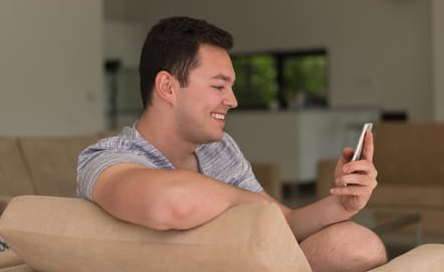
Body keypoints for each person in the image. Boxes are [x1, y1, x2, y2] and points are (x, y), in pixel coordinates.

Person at [77, 16, 387, 272]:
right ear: (167, 87)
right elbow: (174, 202)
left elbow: (286, 222)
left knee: (357, 244)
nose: (232, 100)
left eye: (231, 87)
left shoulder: (218, 149)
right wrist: (255, 207)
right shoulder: (106, 158)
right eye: (218, 86)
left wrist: (342, 204)